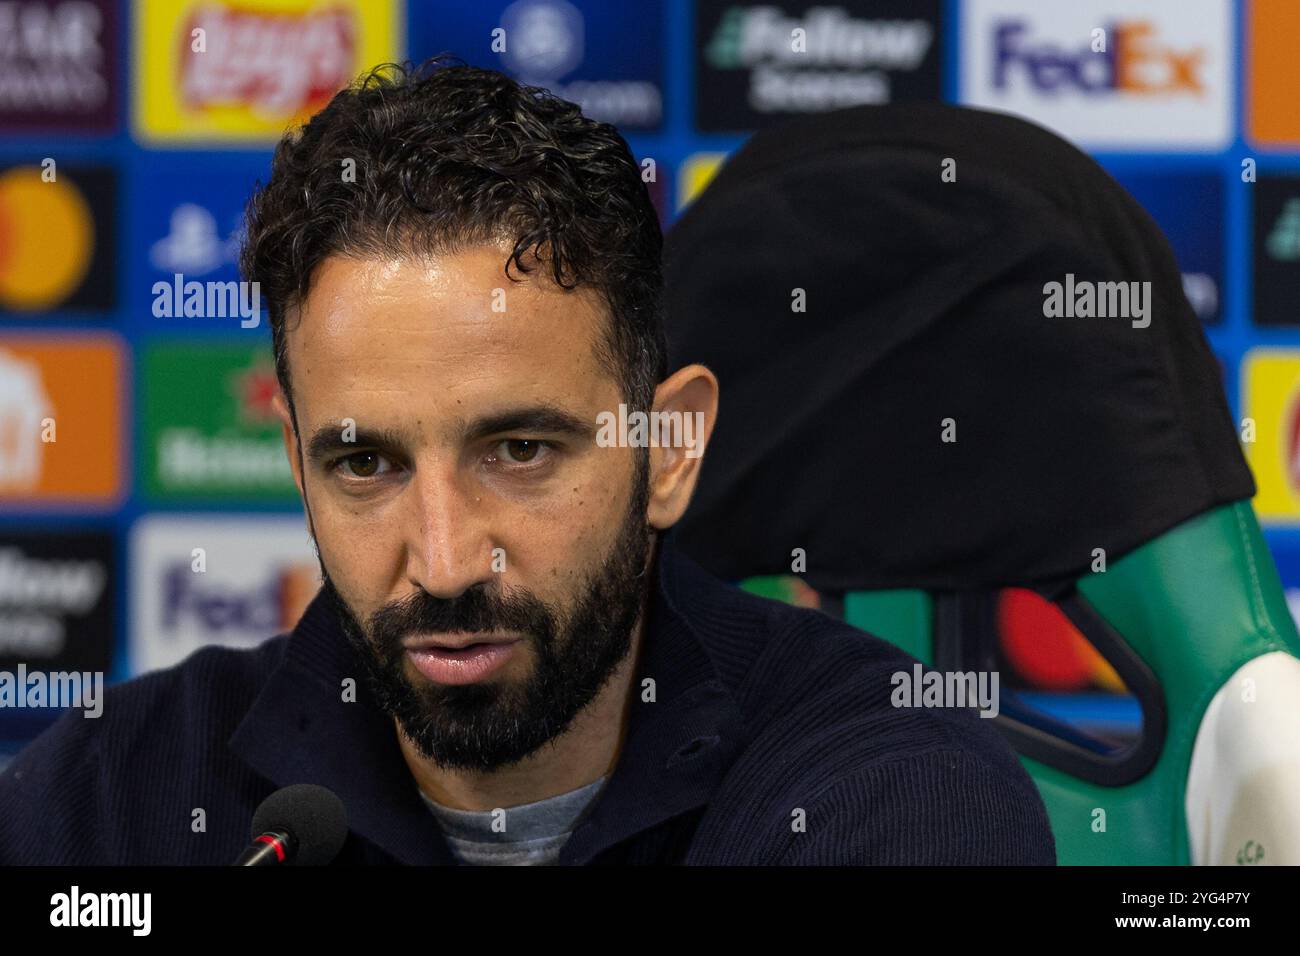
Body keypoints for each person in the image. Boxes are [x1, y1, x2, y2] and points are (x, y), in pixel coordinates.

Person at [0, 60, 1054, 865]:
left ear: (670, 446)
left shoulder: (897, 793)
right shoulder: (110, 799)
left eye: (518, 449)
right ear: (295, 461)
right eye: (366, 463)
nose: (447, 561)